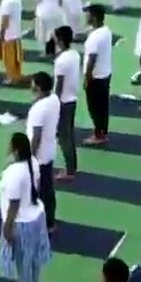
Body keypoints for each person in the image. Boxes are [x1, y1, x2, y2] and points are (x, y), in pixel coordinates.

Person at [0, 132, 51, 282]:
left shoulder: (13, 173)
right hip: (36, 216)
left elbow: (13, 205)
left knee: (23, 262)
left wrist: (7, 229)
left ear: (15, 149)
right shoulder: (33, 163)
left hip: (22, 222)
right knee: (33, 259)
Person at [26, 72, 61, 230]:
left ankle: (46, 222)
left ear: (38, 87)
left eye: (33, 83)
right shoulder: (53, 99)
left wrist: (29, 157)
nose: (30, 86)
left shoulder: (38, 109)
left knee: (42, 189)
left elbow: (36, 137)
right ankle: (49, 220)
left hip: (40, 155)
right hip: (49, 150)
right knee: (47, 187)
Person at [82, 5, 115, 145]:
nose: (86, 17)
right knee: (103, 107)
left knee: (94, 108)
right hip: (105, 74)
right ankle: (103, 132)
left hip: (95, 77)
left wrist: (86, 78)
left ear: (94, 18)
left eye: (88, 15)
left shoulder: (94, 37)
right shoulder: (106, 31)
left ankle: (98, 135)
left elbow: (92, 59)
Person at [52, 25, 82, 179]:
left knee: (64, 138)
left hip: (63, 101)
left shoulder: (61, 61)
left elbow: (59, 85)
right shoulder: (75, 54)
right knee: (68, 135)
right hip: (72, 99)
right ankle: (72, 167)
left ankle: (70, 171)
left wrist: (54, 104)